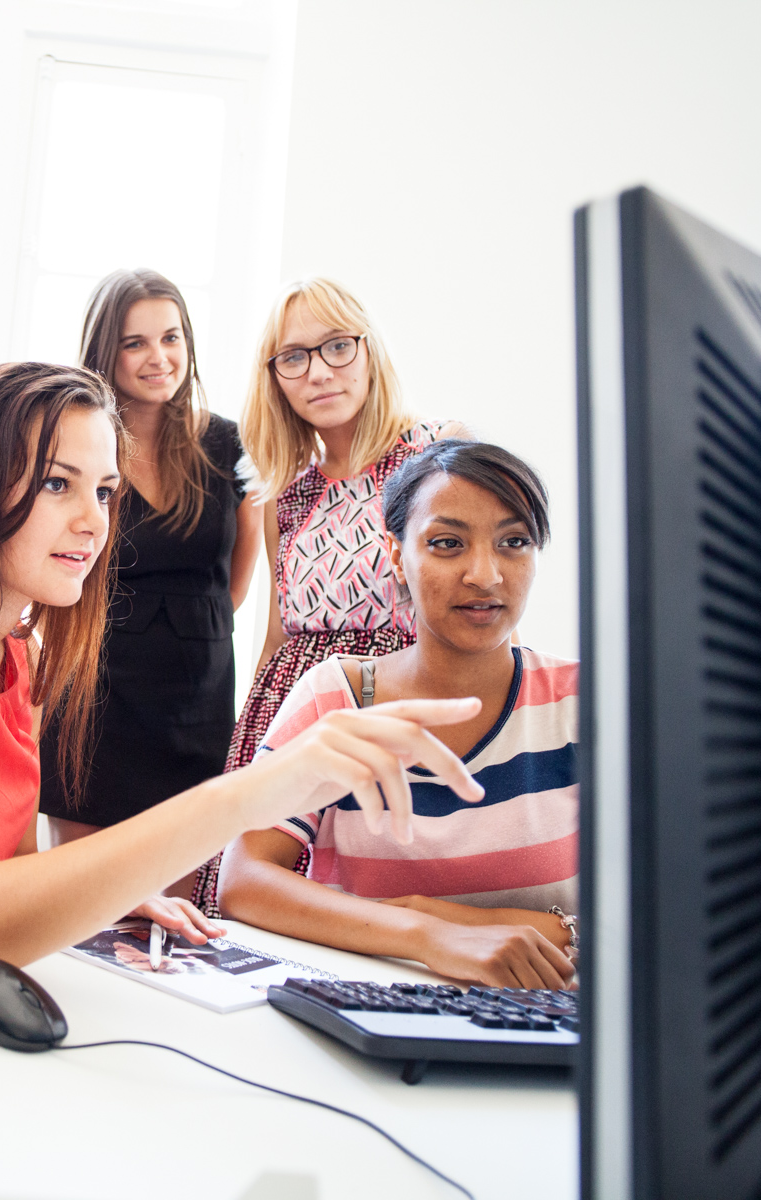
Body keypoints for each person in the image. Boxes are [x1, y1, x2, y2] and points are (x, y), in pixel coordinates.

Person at [0, 362, 488, 964]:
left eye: (106, 490)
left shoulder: (16, 654)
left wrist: (95, 896)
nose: (95, 523)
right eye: (58, 483)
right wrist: (250, 794)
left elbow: (12, 876)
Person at [216, 441, 579, 990]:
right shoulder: (336, 698)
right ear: (395, 555)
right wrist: (424, 934)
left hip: (547, 1014)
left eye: (514, 542)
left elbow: (671, 901)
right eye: (447, 544)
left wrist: (472, 922)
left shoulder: (584, 703)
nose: (484, 574)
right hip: (369, 1005)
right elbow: (243, 879)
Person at [193, 278, 465, 909]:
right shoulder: (286, 492)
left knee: (376, 902)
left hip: (395, 704)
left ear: (369, 351)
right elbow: (276, 638)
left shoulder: (435, 450)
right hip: (293, 712)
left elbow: (477, 604)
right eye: (294, 357)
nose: (319, 372)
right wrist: (250, 744)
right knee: (261, 909)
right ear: (276, 378)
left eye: (337, 346)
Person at [36, 270, 262, 883]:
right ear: (105, 351)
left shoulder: (228, 443)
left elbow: (233, 584)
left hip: (198, 701)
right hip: (95, 698)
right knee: (79, 899)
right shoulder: (77, 441)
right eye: (135, 342)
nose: (159, 358)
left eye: (172, 337)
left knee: (182, 905)